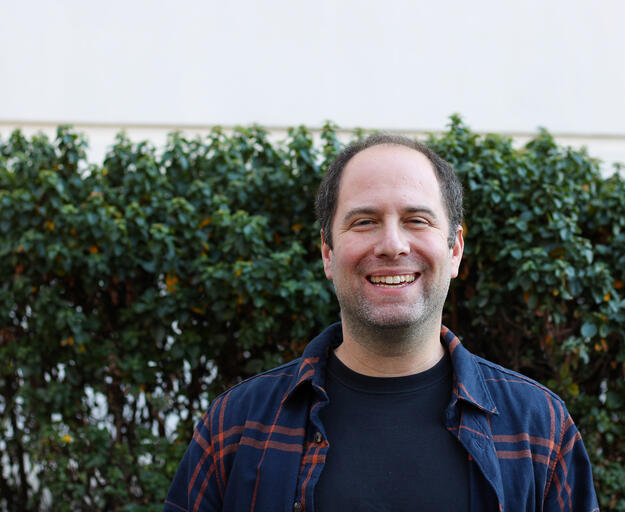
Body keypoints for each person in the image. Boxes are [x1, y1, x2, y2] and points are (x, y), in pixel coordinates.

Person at [163, 134, 600, 512]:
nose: (392, 244)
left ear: (455, 250)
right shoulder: (237, 427)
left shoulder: (538, 428)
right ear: (328, 253)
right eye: (365, 221)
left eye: (417, 220)